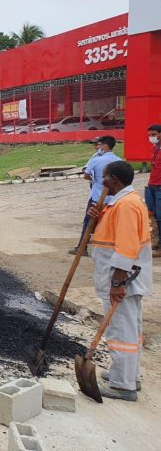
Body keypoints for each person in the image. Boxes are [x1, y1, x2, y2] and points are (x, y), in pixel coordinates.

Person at [88, 160, 153, 401]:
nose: (102, 181)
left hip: (122, 278)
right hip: (126, 277)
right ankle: (128, 375)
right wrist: (97, 215)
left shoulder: (126, 205)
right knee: (131, 328)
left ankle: (122, 385)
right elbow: (111, 232)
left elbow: (126, 247)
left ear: (114, 179)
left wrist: (117, 283)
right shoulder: (122, 202)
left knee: (120, 330)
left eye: (104, 177)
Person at [70, 136, 121, 256]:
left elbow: (86, 175)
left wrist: (95, 181)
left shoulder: (97, 159)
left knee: (89, 222)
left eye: (98, 144)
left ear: (105, 146)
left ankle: (82, 248)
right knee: (112, 223)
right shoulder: (120, 161)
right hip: (115, 199)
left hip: (97, 197)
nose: (96, 147)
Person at [145, 124, 161, 258]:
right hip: (152, 186)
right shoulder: (155, 149)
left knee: (160, 217)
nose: (152, 137)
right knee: (152, 216)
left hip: (160, 187)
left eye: (154, 134)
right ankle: (155, 242)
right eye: (150, 135)